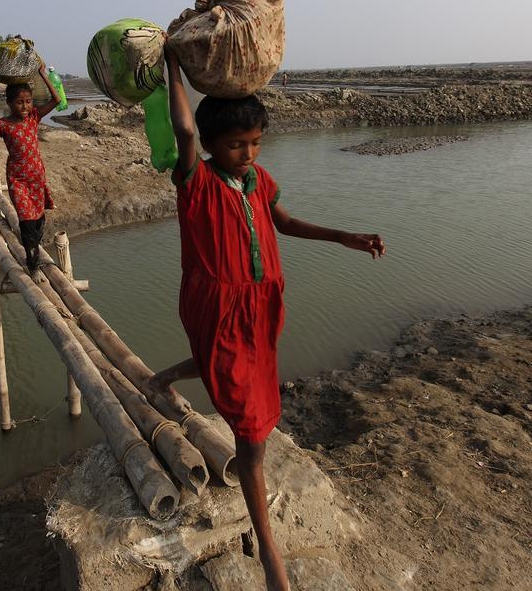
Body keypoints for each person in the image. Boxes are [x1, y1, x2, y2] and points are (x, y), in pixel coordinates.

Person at [149, 51, 386, 591]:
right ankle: (270, 557)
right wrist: (172, 65)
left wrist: (342, 236)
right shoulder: (195, 182)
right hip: (219, 304)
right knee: (251, 436)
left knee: (228, 370)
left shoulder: (259, 180)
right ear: (210, 146)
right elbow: (183, 129)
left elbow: (285, 222)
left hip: (262, 303)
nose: (248, 154)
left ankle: (162, 377)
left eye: (255, 143)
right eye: (236, 145)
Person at [0, 60, 61, 274]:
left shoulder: (34, 117)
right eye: (19, 102)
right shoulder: (2, 125)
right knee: (26, 220)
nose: (25, 106)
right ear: (9, 103)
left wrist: (43, 74)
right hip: (17, 178)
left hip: (36, 176)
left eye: (28, 101)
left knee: (39, 220)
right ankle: (32, 262)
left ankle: (34, 250)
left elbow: (57, 99)